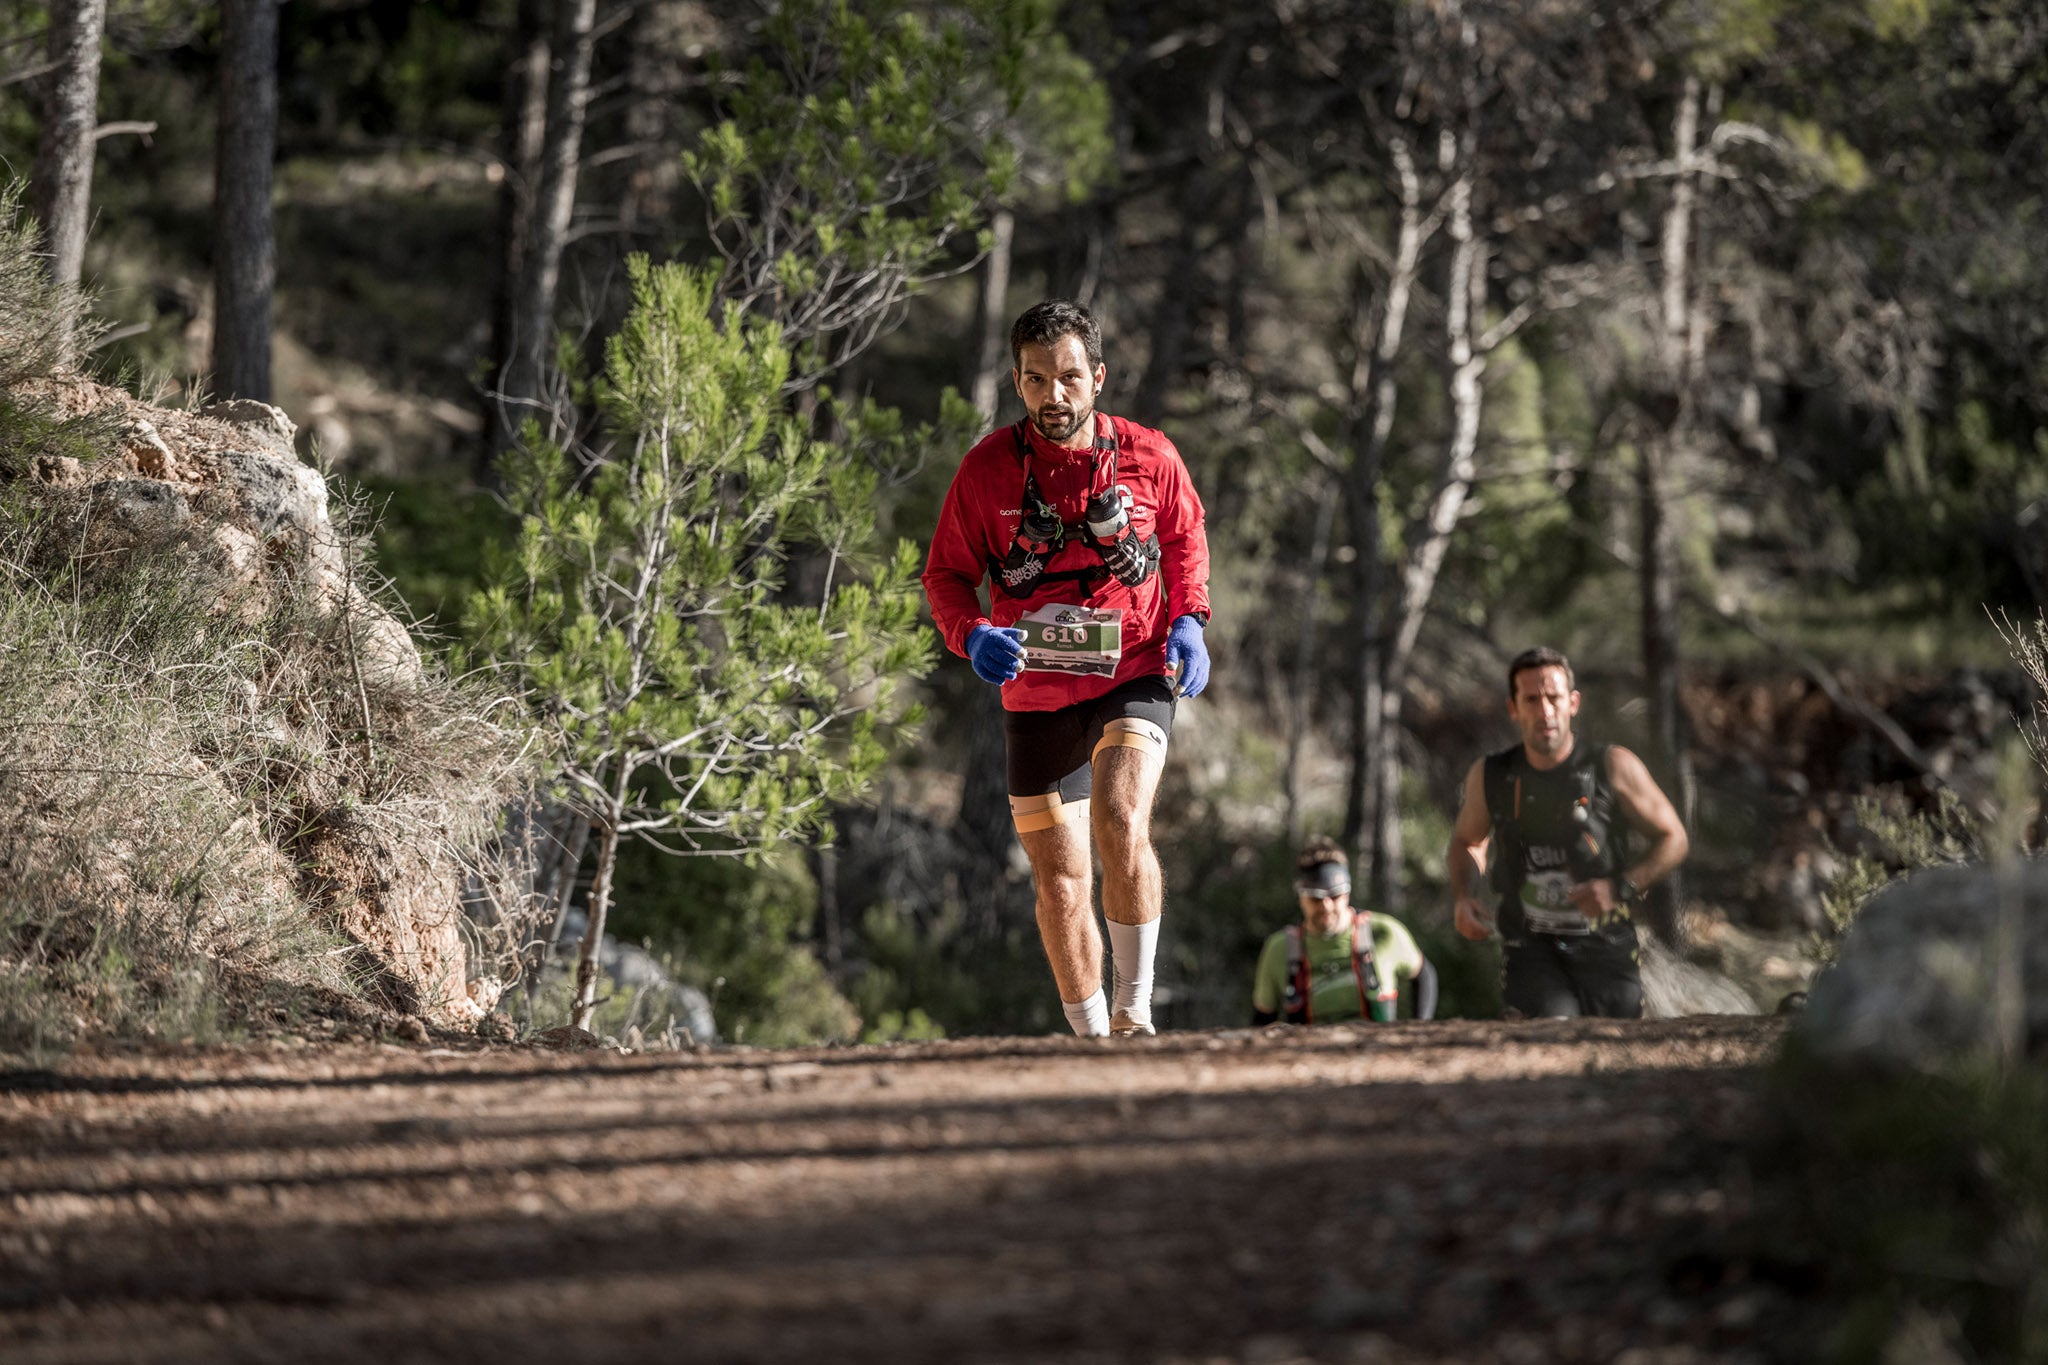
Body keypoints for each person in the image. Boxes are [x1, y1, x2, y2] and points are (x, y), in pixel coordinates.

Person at [922, 299, 1211, 1038]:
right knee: (1059, 883)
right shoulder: (986, 471)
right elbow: (946, 575)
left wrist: (1189, 619)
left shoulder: (1151, 454)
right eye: (1038, 379)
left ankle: (1134, 1013)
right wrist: (972, 632)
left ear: (1098, 377)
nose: (1056, 395)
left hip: (1135, 668)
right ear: (1017, 383)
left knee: (1120, 815)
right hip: (1038, 690)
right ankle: (1089, 1042)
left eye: (1070, 377)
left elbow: (1183, 538)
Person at [1445, 647, 1690, 1018]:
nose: (1545, 711)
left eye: (1553, 698)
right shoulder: (1492, 775)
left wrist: (1620, 886)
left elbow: (1674, 838)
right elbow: (1468, 841)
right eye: (1531, 699)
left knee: (1612, 1053)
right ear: (1513, 708)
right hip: (1530, 949)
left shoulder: (1613, 766)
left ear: (1573, 703)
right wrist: (1464, 896)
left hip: (1606, 948)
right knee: (1549, 1035)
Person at [1251, 838, 1437, 1026]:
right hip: (1309, 1053)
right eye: (1316, 898)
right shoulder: (1280, 949)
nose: (1326, 906)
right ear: (1301, 897)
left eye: (1334, 895)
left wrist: (1420, 1028)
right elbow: (1262, 1018)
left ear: (1347, 893)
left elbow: (1424, 975)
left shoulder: (1384, 933)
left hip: (1378, 1050)